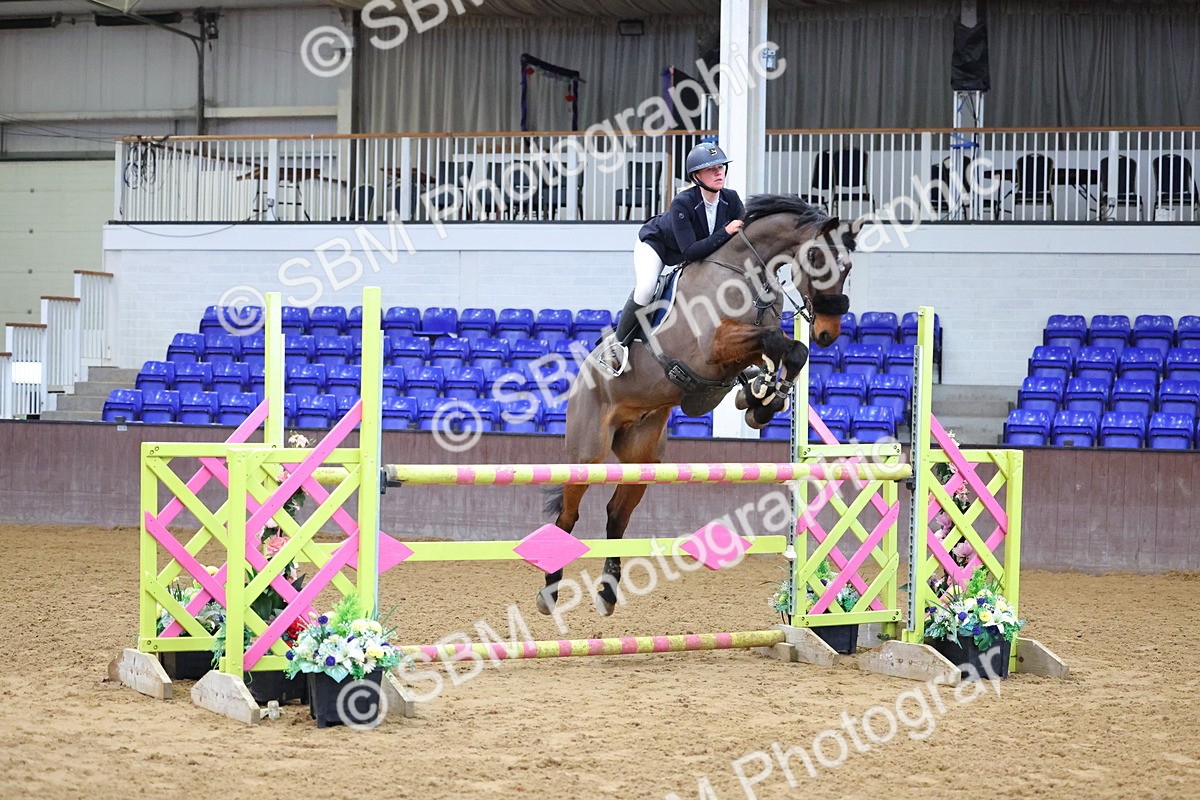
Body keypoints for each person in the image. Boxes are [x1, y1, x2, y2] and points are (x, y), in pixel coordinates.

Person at [600, 142, 746, 376]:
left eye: (721, 168)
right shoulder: (683, 202)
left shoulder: (731, 200)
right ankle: (617, 346)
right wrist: (726, 231)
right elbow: (690, 251)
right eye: (711, 169)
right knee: (647, 288)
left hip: (694, 254)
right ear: (696, 176)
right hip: (657, 245)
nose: (719, 173)